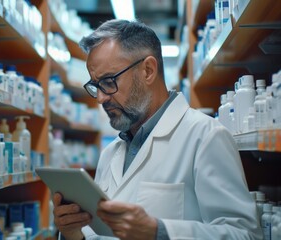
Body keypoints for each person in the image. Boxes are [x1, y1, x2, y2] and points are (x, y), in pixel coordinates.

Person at [52, 19, 262, 240]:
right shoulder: (110, 154)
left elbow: (245, 234)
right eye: (96, 86)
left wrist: (159, 232)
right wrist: (73, 233)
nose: (101, 98)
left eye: (108, 81)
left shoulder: (205, 136)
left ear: (148, 71)